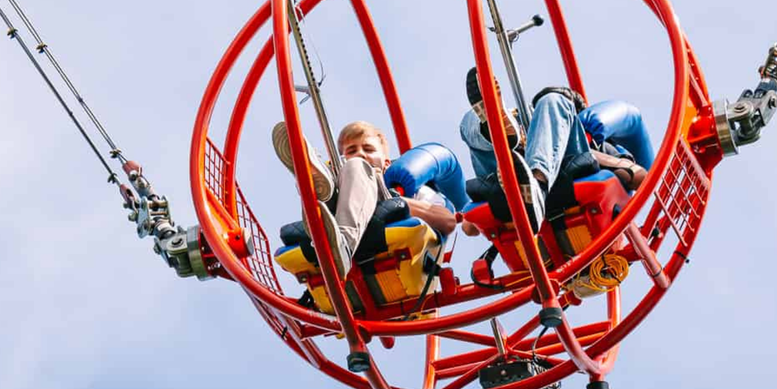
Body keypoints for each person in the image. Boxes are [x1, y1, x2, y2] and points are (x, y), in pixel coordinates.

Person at [460, 70, 647, 233]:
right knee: (469, 121)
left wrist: (601, 157)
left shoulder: (599, 146)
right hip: (507, 177)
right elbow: (469, 227)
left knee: (552, 100)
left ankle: (536, 185)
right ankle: (493, 128)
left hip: (566, 175)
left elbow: (639, 176)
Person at [273, 120, 460, 276]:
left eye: (368, 149)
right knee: (348, 174)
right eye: (352, 150)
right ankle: (318, 182)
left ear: (387, 163)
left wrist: (392, 199)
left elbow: (448, 221)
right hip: (340, 207)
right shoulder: (347, 172)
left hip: (386, 217)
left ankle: (342, 243)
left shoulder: (412, 189)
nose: (361, 154)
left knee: (357, 167)